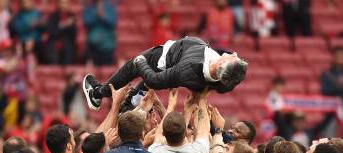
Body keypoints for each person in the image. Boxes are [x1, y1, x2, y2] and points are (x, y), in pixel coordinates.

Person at [81, 36, 247, 111]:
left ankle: (97, 93)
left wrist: (141, 62)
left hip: (161, 60)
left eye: (234, 58)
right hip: (171, 64)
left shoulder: (188, 69)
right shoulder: (219, 74)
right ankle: (125, 109)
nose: (235, 54)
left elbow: (154, 80)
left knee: (132, 66)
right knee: (137, 96)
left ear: (223, 64)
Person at [320, 47, 343, 141]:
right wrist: (340, 85)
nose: (339, 58)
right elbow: (324, 92)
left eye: (341, 56)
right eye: (337, 56)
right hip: (332, 112)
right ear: (333, 57)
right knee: (328, 138)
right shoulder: (327, 74)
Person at [82, 0, 117, 66]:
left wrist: (103, 17)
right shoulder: (90, 7)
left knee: (106, 71)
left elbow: (113, 22)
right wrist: (96, 15)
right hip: (92, 47)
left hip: (107, 47)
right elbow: (86, 22)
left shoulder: (110, 8)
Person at [44, 0, 77, 65]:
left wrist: (69, 26)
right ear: (58, 4)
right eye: (62, 3)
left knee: (68, 48)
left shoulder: (72, 16)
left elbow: (73, 35)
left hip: (67, 44)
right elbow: (52, 32)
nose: (64, 5)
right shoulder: (53, 16)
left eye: (66, 3)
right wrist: (64, 25)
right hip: (54, 43)